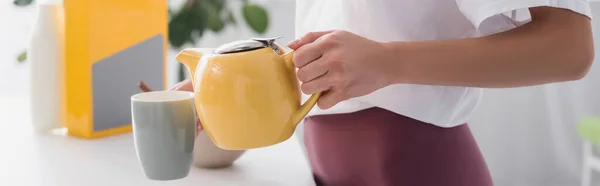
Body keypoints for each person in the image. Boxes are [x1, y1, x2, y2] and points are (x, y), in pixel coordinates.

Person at [171, 0, 594, 185]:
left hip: (415, 167)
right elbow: (358, 29)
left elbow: (569, 48)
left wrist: (387, 62)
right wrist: (228, 79)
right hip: (325, 167)